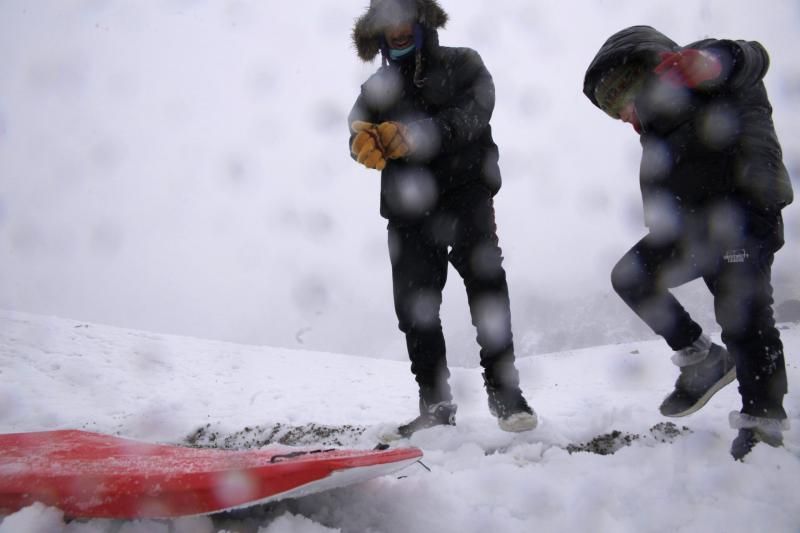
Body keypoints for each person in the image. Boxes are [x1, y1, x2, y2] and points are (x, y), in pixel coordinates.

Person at [583, 26, 793, 460]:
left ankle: (763, 422)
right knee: (631, 276)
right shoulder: (657, 124)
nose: (619, 115)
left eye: (617, 100)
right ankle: (702, 359)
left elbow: (751, 56)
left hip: (743, 213)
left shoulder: (697, 70)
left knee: (744, 317)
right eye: (609, 109)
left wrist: (712, 62)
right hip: (693, 229)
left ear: (640, 76)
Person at [347, 0, 536, 437]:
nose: (395, 28)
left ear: (419, 19)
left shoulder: (463, 62)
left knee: (486, 285)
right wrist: (359, 142)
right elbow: (357, 126)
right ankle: (435, 405)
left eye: (402, 17)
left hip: (465, 190)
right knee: (414, 305)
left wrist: (423, 134)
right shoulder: (375, 87)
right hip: (406, 205)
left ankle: (505, 392)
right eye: (386, 21)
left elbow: (478, 109)